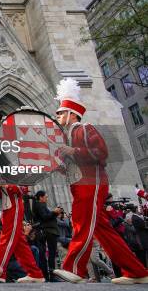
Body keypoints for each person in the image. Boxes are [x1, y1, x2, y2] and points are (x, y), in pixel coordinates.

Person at [51, 78, 148, 285]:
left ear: (71, 113)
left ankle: (75, 268)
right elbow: (76, 163)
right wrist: (60, 165)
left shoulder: (84, 129)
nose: (57, 115)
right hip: (80, 186)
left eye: (60, 112)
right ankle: (136, 271)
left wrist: (73, 151)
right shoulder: (68, 135)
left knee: (81, 224)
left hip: (91, 185)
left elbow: (101, 153)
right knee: (101, 230)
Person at [0, 185, 45, 283]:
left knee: (7, 237)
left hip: (13, 204)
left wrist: (6, 186)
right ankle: (35, 274)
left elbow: (19, 184)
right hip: (8, 205)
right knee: (20, 244)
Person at [32, 190, 62, 280]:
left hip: (48, 231)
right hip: (49, 231)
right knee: (51, 254)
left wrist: (54, 213)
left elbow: (46, 216)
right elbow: (45, 217)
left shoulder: (40, 205)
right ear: (41, 197)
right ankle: (51, 275)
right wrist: (55, 212)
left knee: (50, 254)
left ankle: (49, 275)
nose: (47, 198)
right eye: (46, 196)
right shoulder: (40, 205)